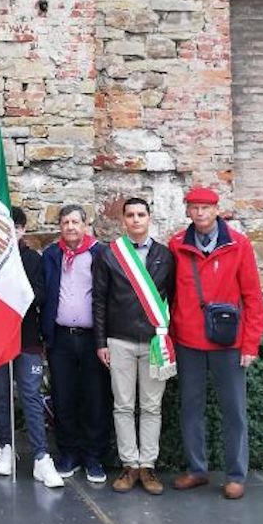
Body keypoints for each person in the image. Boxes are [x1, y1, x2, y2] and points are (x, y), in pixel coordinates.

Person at [169, 187, 263, 500]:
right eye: (194, 207)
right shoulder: (176, 245)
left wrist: (250, 344)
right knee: (191, 408)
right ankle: (197, 470)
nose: (200, 213)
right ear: (187, 211)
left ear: (216, 210)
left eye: (206, 208)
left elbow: (252, 297)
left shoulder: (239, 245)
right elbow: (167, 297)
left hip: (229, 342)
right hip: (188, 341)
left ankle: (236, 474)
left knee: (234, 410)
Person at [92, 198, 175, 495]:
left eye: (141, 214)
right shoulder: (110, 255)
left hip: (155, 341)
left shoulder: (166, 256)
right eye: (131, 215)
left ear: (149, 218)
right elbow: (99, 300)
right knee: (123, 406)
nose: (136, 219)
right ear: (123, 220)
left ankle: (148, 466)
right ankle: (130, 465)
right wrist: (101, 341)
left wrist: (169, 337)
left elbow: (173, 300)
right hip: (120, 339)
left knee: (152, 407)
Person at [0, 207, 63, 488]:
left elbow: (41, 294)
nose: (10, 232)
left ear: (22, 230)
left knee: (30, 395)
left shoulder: (32, 258)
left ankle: (40, 456)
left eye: (16, 227)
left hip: (27, 339)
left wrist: (17, 293)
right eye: (5, 227)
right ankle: (6, 448)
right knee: (0, 395)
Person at [41, 204, 111, 483]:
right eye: (65, 222)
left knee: (95, 398)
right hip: (61, 338)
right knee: (63, 397)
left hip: (93, 339)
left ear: (85, 225)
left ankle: (94, 457)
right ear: (60, 226)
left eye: (75, 222)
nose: (70, 227)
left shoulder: (100, 254)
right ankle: (68, 453)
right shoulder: (51, 255)